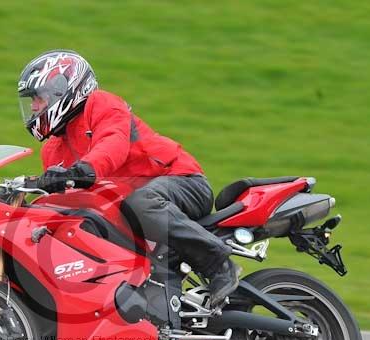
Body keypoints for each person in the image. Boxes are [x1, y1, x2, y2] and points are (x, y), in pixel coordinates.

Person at [17, 49, 240, 306]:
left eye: (38, 97)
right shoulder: (52, 149)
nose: (33, 107)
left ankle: (219, 264)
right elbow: (65, 200)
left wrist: (83, 170)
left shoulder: (101, 104)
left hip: (181, 180)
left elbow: (113, 144)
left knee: (141, 203)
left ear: (62, 88)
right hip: (127, 210)